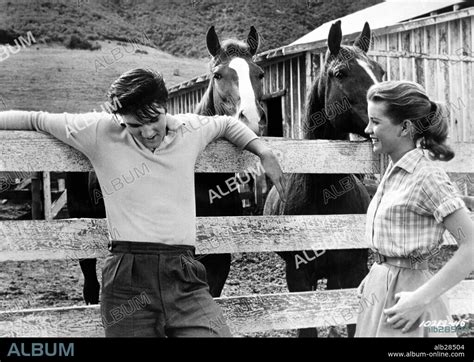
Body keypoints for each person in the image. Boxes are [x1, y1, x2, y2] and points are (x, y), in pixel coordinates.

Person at [0, 68, 286, 337]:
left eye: (154, 119)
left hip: (185, 275)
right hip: (128, 279)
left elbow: (226, 124)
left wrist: (263, 150)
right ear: (121, 117)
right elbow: (35, 119)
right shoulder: (99, 132)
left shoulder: (189, 129)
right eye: (136, 124)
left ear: (165, 106)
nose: (148, 132)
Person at [356, 80, 474, 337]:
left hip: (410, 300)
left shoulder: (427, 176)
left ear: (405, 128)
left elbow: (472, 245)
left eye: (376, 122)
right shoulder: (391, 169)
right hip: (379, 294)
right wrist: (377, 275)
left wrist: (420, 299)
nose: (368, 129)